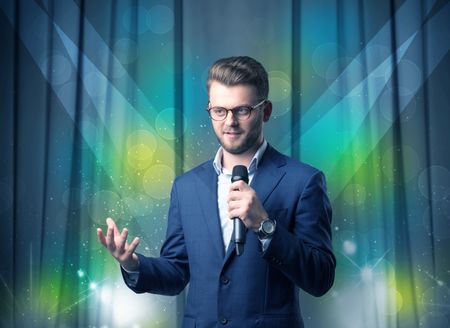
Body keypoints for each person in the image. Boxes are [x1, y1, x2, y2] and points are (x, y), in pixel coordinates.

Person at [97, 56, 336, 328]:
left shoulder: (303, 181)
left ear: (265, 111)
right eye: (220, 110)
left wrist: (265, 226)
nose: (230, 121)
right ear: (210, 109)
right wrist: (133, 264)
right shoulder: (186, 187)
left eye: (242, 110)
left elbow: (321, 278)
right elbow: (176, 271)